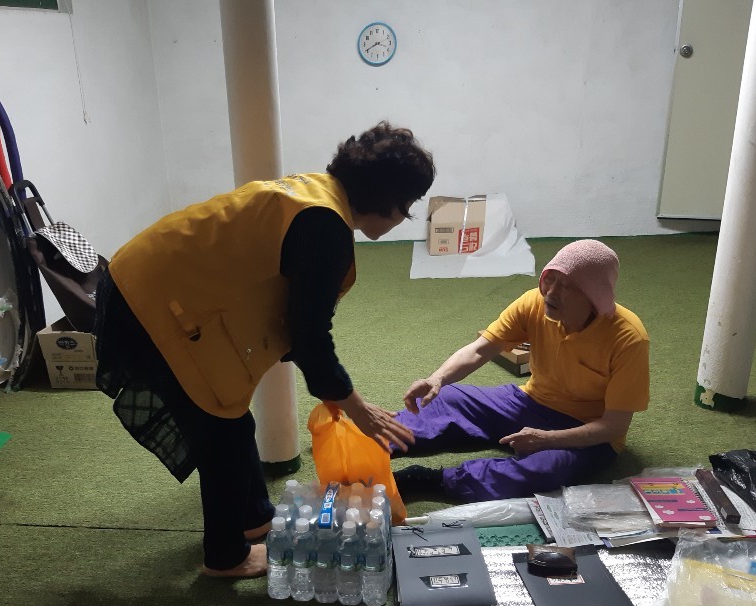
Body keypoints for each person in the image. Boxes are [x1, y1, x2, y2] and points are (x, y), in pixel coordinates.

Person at [94, 122, 435, 578]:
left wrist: (339, 392)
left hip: (145, 282)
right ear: (386, 197)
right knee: (220, 431)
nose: (404, 217)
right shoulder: (324, 225)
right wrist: (355, 406)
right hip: (148, 304)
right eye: (407, 206)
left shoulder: (316, 195)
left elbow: (290, 316)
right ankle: (226, 557)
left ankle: (254, 518)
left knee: (232, 418)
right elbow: (310, 335)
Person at [393, 239, 649, 502]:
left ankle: (431, 480)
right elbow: (481, 349)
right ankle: (380, 441)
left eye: (567, 286)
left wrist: (547, 439)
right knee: (448, 397)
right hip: (530, 401)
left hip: (589, 429)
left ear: (595, 296)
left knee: (545, 470)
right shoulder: (533, 303)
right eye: (550, 279)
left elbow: (613, 426)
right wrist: (437, 379)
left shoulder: (628, 338)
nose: (551, 292)